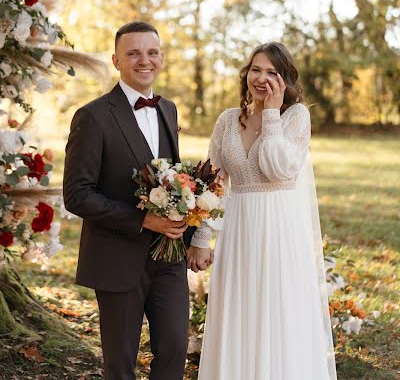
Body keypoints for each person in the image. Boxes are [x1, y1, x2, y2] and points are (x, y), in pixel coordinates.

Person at [187, 42, 337, 380]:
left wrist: (271, 113)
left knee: (276, 311)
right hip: (237, 228)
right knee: (238, 312)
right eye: (256, 69)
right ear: (246, 73)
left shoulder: (296, 116)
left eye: (272, 72)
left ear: (285, 80)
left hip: (279, 229)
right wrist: (201, 236)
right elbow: (212, 182)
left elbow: (278, 168)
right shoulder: (227, 120)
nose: (262, 78)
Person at [63, 21, 193, 380]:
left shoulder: (168, 109)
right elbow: (77, 194)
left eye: (151, 52)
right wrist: (142, 220)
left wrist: (192, 234)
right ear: (117, 60)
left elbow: (172, 180)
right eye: (133, 53)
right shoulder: (91, 117)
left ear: (162, 58)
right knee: (120, 363)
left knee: (175, 349)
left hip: (168, 257)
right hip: (117, 258)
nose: (144, 60)